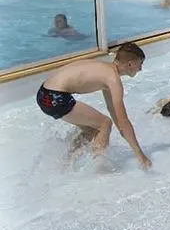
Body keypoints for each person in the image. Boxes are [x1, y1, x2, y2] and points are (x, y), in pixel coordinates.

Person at [36, 42, 152, 170]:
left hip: (43, 94)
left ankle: (65, 164)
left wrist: (124, 133)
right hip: (55, 96)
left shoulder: (105, 70)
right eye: (140, 64)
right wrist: (141, 156)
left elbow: (117, 117)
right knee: (105, 124)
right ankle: (99, 169)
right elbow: (123, 121)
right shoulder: (113, 79)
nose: (140, 69)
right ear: (130, 64)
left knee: (92, 130)